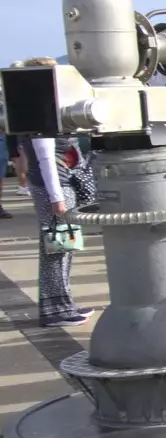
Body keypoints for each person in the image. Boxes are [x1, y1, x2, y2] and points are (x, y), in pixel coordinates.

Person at [18, 57, 96, 327]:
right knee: (57, 249)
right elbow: (46, 158)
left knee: (62, 248)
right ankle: (56, 309)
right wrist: (57, 198)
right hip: (57, 187)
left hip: (58, 186)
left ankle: (62, 305)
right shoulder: (40, 112)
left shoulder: (38, 109)